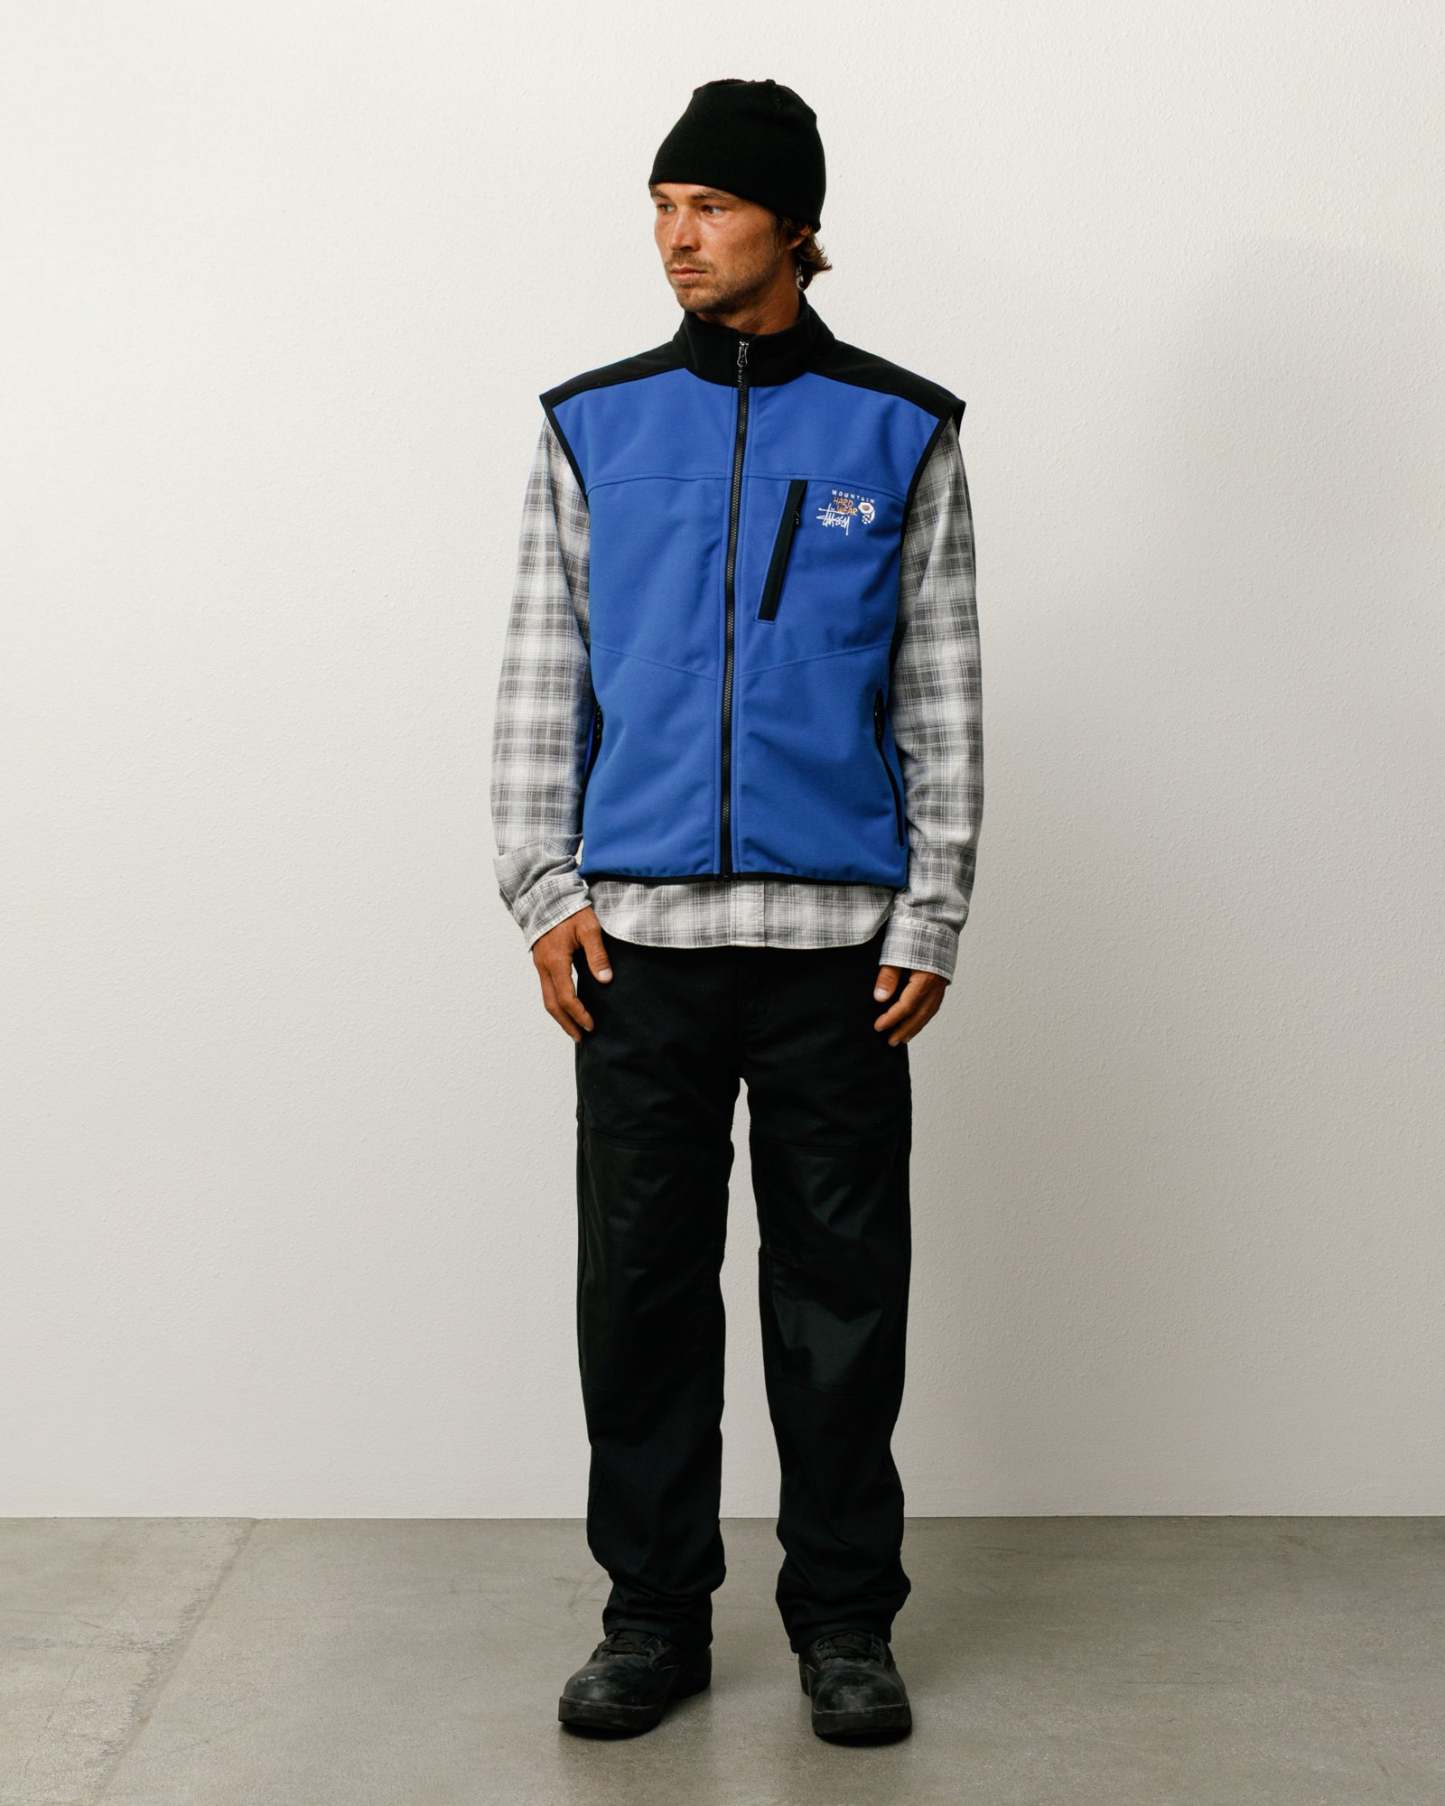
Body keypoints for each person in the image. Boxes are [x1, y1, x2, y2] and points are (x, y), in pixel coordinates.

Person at [490, 76, 982, 1743]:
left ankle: (843, 1620)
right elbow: (543, 667)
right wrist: (542, 888)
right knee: (638, 1293)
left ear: (794, 222)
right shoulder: (594, 423)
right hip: (635, 947)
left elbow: (940, 683)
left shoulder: (900, 428)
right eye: (660, 206)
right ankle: (650, 1617)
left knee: (840, 1306)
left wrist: (931, 909)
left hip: (840, 954)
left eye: (707, 204)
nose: (676, 237)